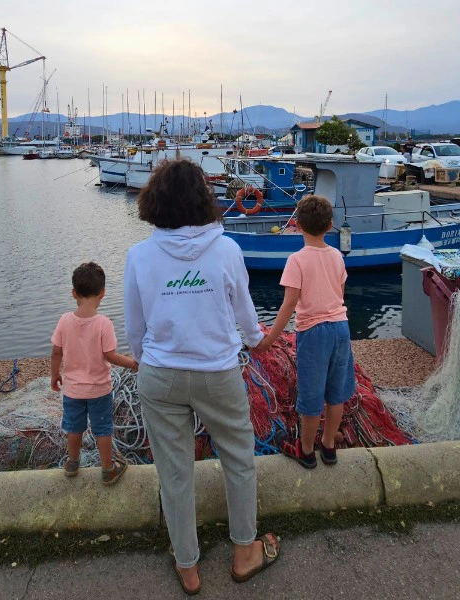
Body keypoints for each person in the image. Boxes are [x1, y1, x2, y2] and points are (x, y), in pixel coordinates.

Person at [123, 159, 280, 594]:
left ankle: (188, 565)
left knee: (174, 472)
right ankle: (245, 551)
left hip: (160, 374)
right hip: (217, 372)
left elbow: (135, 330)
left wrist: (148, 361)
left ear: (154, 201)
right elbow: (246, 317)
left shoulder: (139, 256)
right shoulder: (227, 249)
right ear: (203, 199)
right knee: (238, 458)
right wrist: (255, 340)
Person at [254, 195, 356, 469]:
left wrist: (269, 339)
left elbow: (289, 304)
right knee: (337, 393)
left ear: (297, 225)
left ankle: (307, 450)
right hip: (341, 328)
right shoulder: (337, 256)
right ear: (330, 225)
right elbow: (340, 294)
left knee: (311, 394)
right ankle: (329, 445)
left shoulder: (296, 260)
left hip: (313, 332)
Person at [50, 262, 138, 485]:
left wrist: (54, 375)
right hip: (99, 389)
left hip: (73, 390)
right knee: (103, 429)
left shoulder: (64, 321)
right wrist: (133, 363)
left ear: (74, 293)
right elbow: (110, 355)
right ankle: (107, 469)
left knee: (73, 426)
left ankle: (72, 463)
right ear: (102, 293)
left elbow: (56, 352)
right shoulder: (103, 323)